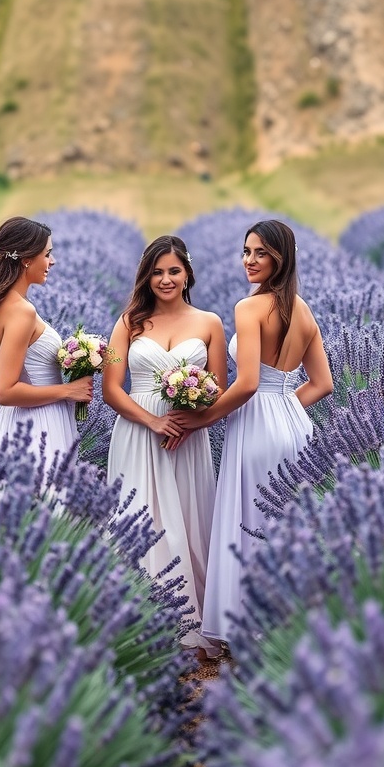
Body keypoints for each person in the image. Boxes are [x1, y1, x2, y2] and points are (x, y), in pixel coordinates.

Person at [170, 220, 333, 646]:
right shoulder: (304, 310)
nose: (250, 260)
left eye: (260, 253)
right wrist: (284, 408)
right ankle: (289, 624)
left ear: (281, 257)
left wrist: (202, 419)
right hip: (295, 425)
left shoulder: (249, 307)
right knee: (287, 524)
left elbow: (245, 385)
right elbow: (322, 384)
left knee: (249, 524)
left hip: (256, 423)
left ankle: (249, 630)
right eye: (246, 251)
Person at [103, 235, 228, 659]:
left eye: (173, 270)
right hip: (138, 433)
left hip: (188, 439)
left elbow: (219, 390)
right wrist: (154, 419)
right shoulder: (128, 323)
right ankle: (141, 627)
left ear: (187, 273)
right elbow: (111, 390)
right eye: (157, 272)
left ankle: (192, 628)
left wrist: (190, 419)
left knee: (188, 521)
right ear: (146, 276)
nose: (165, 279)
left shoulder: (210, 322)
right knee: (141, 520)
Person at [0, 216, 93, 474]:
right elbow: (4, 391)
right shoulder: (21, 312)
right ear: (26, 259)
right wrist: (68, 391)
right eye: (47, 254)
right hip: (37, 426)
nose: (52, 262)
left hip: (25, 421)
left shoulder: (7, 304)